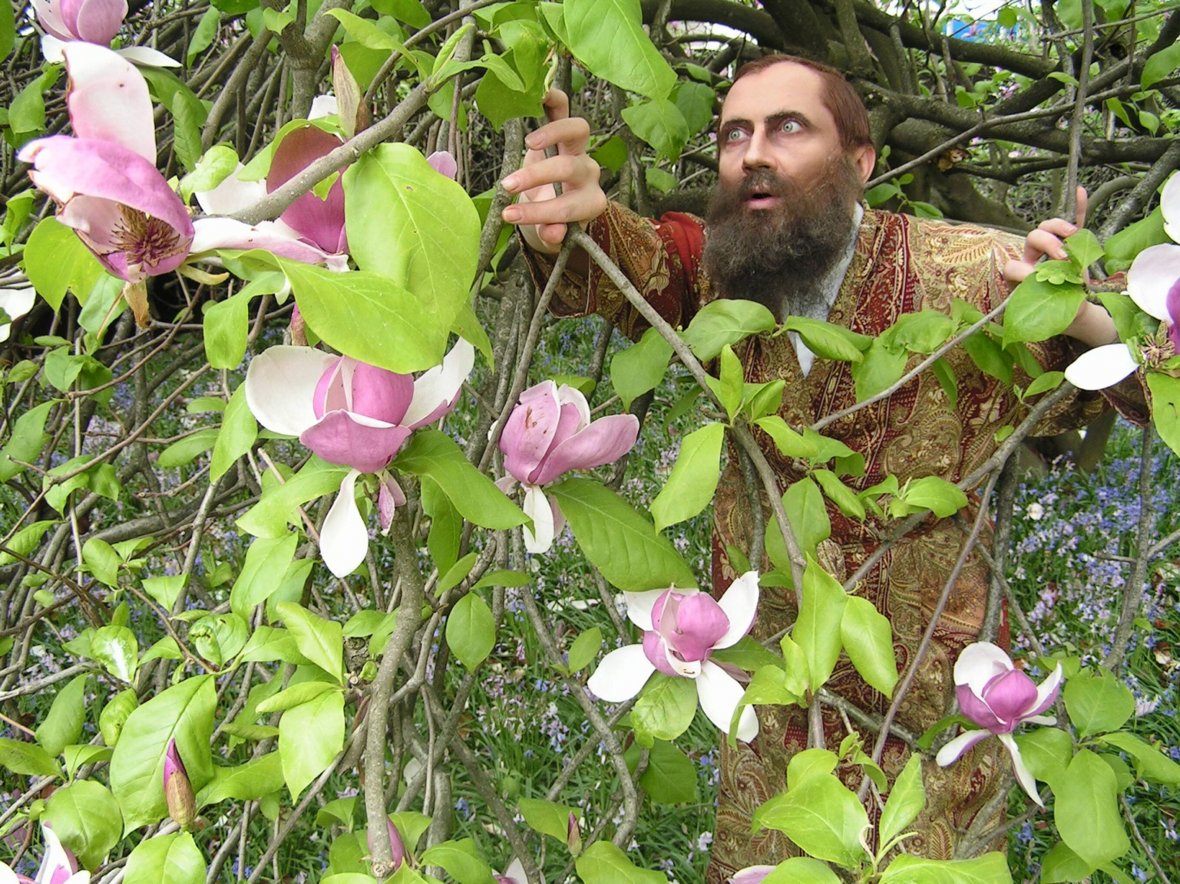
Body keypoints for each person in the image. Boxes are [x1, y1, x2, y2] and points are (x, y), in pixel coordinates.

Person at [500, 55, 1138, 880]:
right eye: (734, 135)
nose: (753, 154)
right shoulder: (723, 275)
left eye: (788, 128)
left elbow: (1136, 367)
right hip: (772, 715)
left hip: (934, 725)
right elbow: (632, 262)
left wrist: (1089, 318)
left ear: (859, 161)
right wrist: (565, 220)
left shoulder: (979, 275)